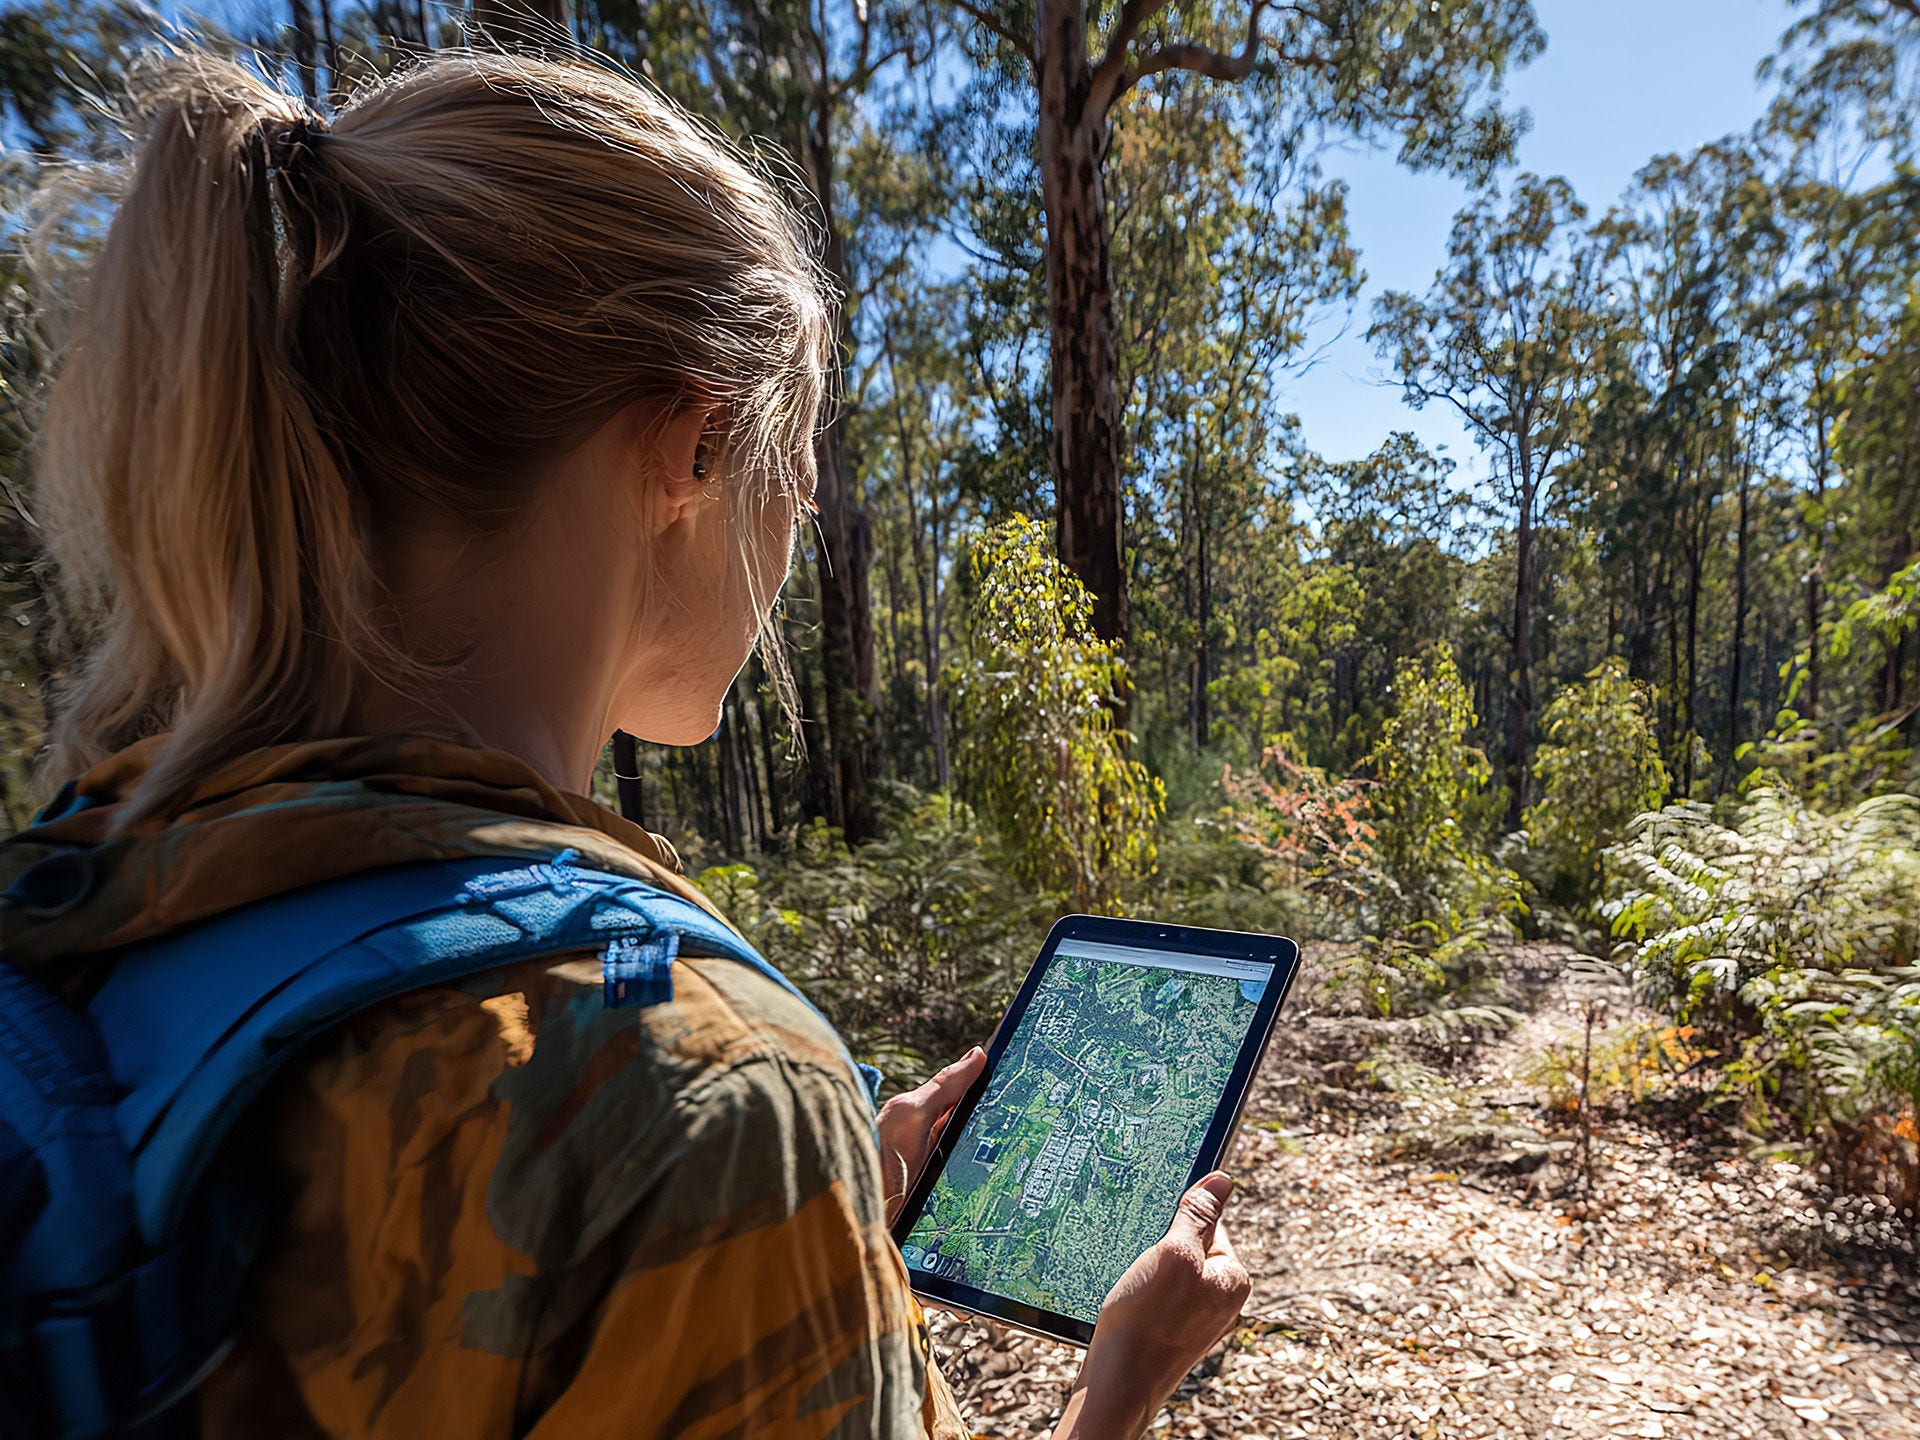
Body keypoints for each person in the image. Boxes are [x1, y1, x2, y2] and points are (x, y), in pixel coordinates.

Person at [3, 45, 1251, 1439]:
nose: (792, 538)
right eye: (801, 465)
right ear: (693, 447)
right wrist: (1120, 1388)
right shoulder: (705, 1102)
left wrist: (846, 1195)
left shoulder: (94, 901)